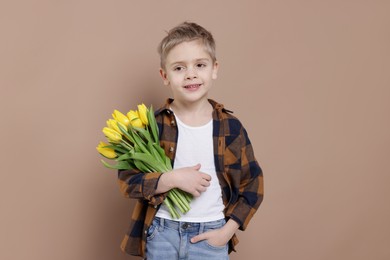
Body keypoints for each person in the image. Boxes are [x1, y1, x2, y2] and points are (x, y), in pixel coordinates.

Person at [117, 22, 264, 259]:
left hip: (211, 232)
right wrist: (170, 178)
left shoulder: (230, 127)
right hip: (162, 231)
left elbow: (253, 184)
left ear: (214, 69)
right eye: (179, 68)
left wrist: (227, 232)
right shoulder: (151, 125)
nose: (191, 74)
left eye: (200, 65)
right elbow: (127, 180)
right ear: (164, 76)